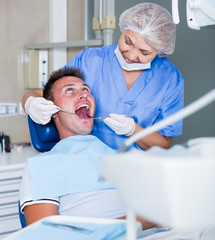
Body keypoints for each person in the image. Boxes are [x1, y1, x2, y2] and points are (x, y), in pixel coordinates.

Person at [22, 2, 184, 151]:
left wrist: (133, 129)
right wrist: (30, 103)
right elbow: (42, 93)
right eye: (128, 42)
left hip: (136, 170)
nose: (132, 55)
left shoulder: (169, 78)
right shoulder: (90, 60)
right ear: (123, 29)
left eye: (144, 52)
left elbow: (164, 143)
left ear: (160, 51)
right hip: (87, 161)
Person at [19, 67, 160, 235]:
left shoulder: (122, 157)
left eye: (86, 89)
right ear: (53, 110)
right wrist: (136, 222)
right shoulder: (42, 167)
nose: (83, 94)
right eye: (69, 90)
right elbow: (45, 236)